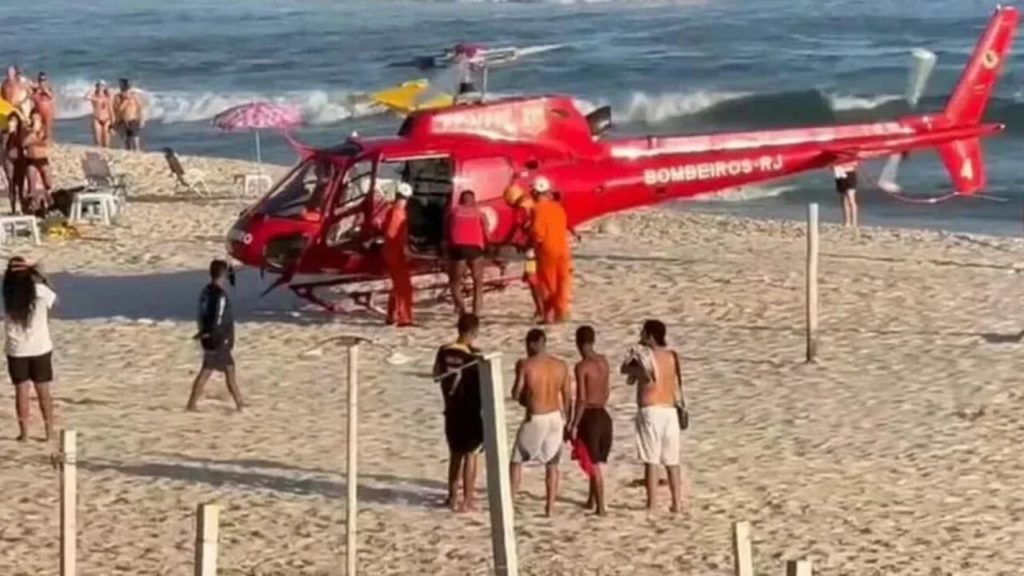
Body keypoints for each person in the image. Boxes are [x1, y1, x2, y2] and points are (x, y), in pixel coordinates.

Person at [621, 319, 687, 512]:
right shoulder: (672, 356)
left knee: (651, 460)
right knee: (672, 461)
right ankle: (676, 503)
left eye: (643, 333)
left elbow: (625, 370)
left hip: (651, 410)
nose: (640, 335)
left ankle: (652, 504)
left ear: (650, 336)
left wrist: (633, 355)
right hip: (670, 410)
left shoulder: (645, 355)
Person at [510, 328, 571, 517]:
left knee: (516, 460)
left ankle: (510, 501)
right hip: (555, 417)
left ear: (532, 344)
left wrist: (525, 397)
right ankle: (549, 508)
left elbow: (516, 393)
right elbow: (567, 396)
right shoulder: (561, 365)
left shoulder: (526, 365)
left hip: (536, 417)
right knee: (552, 463)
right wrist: (568, 421)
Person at [432, 313, 484, 512]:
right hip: (470, 410)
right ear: (474, 331)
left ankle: (452, 497)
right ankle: (467, 499)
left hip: (451, 409)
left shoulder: (443, 351)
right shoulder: (474, 356)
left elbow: (436, 375)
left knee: (455, 455)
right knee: (471, 455)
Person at [3, 257, 58, 442]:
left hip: (17, 349)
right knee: (43, 391)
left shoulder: (7, 293)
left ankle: (24, 433)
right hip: (40, 347)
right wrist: (42, 277)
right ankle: (49, 431)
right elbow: (55, 301)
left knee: (21, 391)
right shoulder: (40, 290)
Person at [186, 259, 244, 412]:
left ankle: (191, 403)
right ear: (223, 275)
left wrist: (203, 332)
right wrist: (220, 337)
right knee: (229, 371)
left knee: (206, 370)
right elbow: (218, 318)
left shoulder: (205, 291)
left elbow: (202, 314)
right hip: (219, 339)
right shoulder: (220, 295)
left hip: (208, 338)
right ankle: (240, 405)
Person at [569, 325, 612, 515]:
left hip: (590, 416)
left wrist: (574, 423)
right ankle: (590, 499)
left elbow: (581, 399)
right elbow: (607, 391)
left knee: (592, 463)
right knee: (594, 459)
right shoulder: (604, 362)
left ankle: (601, 507)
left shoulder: (582, 367)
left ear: (578, 343)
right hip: (604, 414)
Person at [529, 177, 573, 323]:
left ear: (535, 193)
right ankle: (562, 312)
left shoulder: (536, 209)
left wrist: (532, 241)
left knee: (547, 284)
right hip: (563, 249)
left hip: (547, 250)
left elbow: (538, 233)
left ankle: (549, 317)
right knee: (562, 281)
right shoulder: (558, 208)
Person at [446, 190, 489, 316]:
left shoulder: (453, 212)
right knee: (478, 283)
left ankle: (462, 311)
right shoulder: (480, 213)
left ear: (460, 200)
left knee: (454, 283)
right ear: (473, 200)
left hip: (458, 248)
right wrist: (490, 247)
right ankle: (476, 313)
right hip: (475, 249)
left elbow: (447, 232)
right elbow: (487, 233)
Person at [384, 183, 414, 326]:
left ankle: (391, 315)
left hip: (392, 251)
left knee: (397, 285)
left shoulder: (392, 210)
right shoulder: (398, 213)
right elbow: (393, 235)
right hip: (396, 253)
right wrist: (405, 249)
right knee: (404, 287)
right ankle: (404, 318)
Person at [23, 110, 52, 214]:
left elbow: (47, 143)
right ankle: (33, 205)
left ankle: (48, 200)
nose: (35, 121)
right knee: (32, 182)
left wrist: (35, 139)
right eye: (33, 119)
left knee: (48, 181)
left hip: (42, 159)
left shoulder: (44, 130)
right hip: (31, 160)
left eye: (37, 119)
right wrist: (32, 134)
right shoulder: (27, 130)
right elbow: (24, 143)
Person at [114, 78, 144, 151]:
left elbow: (139, 107)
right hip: (124, 120)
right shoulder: (118, 97)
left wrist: (141, 119)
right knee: (127, 138)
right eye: (120, 85)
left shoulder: (134, 96)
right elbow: (118, 110)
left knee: (135, 137)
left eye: (121, 85)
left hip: (133, 118)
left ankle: (137, 151)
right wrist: (117, 121)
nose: (120, 87)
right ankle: (129, 151)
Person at [5, 113, 26, 214]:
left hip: (20, 160)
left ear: (17, 122)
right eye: (10, 120)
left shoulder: (21, 133)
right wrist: (8, 134)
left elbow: (23, 144)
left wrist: (14, 134)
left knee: (20, 184)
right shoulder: (4, 133)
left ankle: (22, 206)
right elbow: (3, 147)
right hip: (9, 160)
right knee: (11, 183)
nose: (11, 123)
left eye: (14, 121)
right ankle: (13, 208)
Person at [87, 81, 114, 148]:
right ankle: (98, 150)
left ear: (105, 87)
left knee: (106, 141)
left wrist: (113, 123)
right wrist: (91, 90)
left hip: (107, 120)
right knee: (97, 140)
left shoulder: (108, 97)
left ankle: (106, 151)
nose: (100, 87)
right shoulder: (94, 97)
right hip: (97, 119)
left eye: (102, 86)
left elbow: (111, 110)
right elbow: (86, 97)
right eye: (99, 85)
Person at [834, 160, 859, 229]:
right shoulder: (837, 156)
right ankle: (847, 222)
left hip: (849, 174)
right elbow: (831, 166)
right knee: (844, 200)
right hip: (840, 175)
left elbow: (856, 163)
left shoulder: (851, 155)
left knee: (851, 198)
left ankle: (854, 222)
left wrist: (842, 164)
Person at [31, 72, 55, 141]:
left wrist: (46, 91)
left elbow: (52, 98)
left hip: (47, 112)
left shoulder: (49, 88)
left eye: (44, 80)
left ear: (46, 81)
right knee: (36, 127)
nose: (42, 83)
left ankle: (47, 140)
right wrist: (37, 91)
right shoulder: (35, 89)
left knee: (47, 130)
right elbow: (31, 98)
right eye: (40, 81)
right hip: (38, 111)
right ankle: (38, 139)